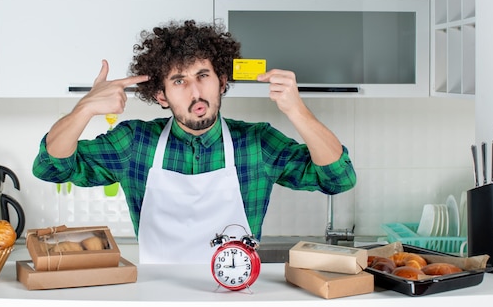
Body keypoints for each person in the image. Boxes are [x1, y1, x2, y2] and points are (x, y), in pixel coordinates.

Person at [32, 19, 356, 264]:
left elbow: (339, 179)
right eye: (179, 81)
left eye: (203, 75)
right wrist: (85, 107)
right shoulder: (134, 143)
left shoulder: (256, 142)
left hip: (236, 295)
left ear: (222, 82)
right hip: (157, 296)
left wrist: (297, 110)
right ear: (160, 95)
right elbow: (51, 167)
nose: (195, 92)